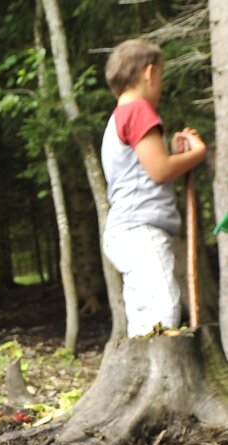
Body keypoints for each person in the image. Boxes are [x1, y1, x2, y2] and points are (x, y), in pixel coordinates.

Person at [101, 38, 207, 337]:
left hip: (126, 229)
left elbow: (147, 169)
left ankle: (145, 374)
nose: (160, 85)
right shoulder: (139, 111)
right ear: (149, 73)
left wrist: (176, 154)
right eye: (160, 77)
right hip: (141, 231)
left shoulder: (119, 116)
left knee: (145, 313)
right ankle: (163, 380)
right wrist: (197, 154)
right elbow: (160, 170)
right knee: (163, 307)